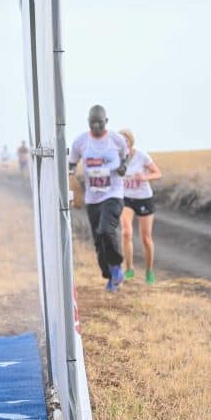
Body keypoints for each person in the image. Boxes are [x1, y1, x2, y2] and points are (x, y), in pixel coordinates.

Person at [68, 105, 129, 292]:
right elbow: (71, 163)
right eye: (92, 122)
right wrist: (71, 178)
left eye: (99, 122)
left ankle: (117, 267)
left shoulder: (116, 140)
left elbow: (125, 158)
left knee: (105, 230)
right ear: (88, 122)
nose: (96, 126)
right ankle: (110, 276)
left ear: (106, 122)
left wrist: (123, 168)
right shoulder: (80, 142)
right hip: (93, 197)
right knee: (98, 241)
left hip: (113, 193)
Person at [118, 129, 162, 285]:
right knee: (126, 232)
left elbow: (158, 173)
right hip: (126, 198)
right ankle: (129, 269)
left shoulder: (141, 156)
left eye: (126, 141)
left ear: (130, 142)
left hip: (144, 198)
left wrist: (145, 177)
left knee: (146, 238)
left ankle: (149, 272)